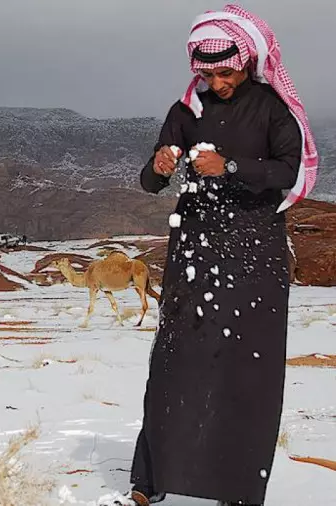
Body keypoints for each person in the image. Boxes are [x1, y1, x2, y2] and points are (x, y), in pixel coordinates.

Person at [125, 5, 318, 506]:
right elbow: (149, 183)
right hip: (195, 248)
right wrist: (160, 164)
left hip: (255, 249)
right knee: (175, 359)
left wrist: (228, 166)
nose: (218, 80)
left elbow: (287, 172)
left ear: (247, 60)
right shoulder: (184, 112)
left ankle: (237, 488)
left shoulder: (273, 109)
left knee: (245, 366)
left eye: (226, 70)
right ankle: (151, 479)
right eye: (207, 72)